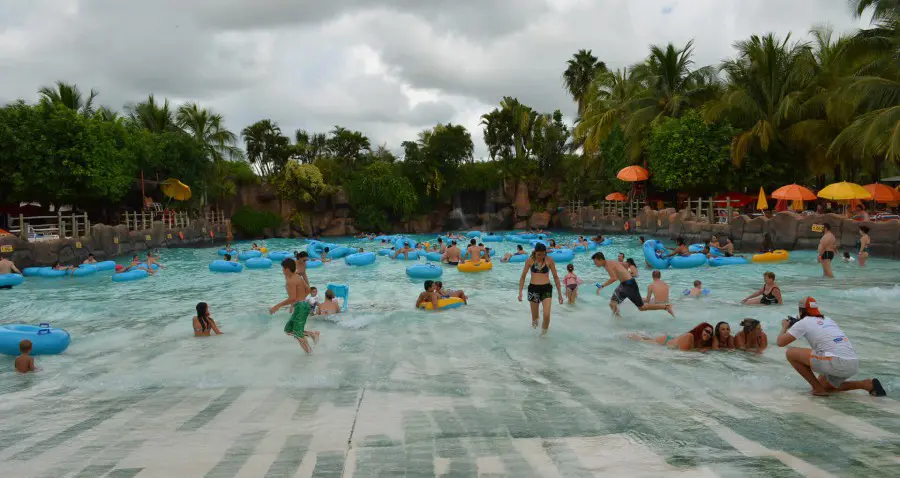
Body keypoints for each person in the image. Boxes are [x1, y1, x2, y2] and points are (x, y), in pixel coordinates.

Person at [777, 297, 886, 397]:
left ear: (800, 311)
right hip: (853, 363)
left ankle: (817, 390)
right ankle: (865, 384)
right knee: (826, 386)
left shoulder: (803, 323)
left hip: (835, 362)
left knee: (790, 353)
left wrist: (784, 327)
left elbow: (780, 342)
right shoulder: (828, 319)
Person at [594, 252, 674, 317]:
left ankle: (666, 307)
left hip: (629, 285)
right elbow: (625, 265)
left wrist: (602, 286)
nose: (595, 264)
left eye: (596, 262)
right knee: (612, 304)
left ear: (601, 259)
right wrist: (624, 273)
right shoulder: (611, 262)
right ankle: (619, 320)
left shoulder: (608, 265)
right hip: (623, 285)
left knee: (642, 308)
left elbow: (613, 278)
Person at [270, 258, 319, 353]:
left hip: (301, 307)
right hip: (302, 305)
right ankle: (312, 334)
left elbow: (292, 298)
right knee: (288, 330)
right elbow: (308, 289)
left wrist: (277, 306)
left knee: (298, 334)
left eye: (283, 269)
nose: (282, 271)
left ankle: (310, 354)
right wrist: (300, 300)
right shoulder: (296, 277)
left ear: (287, 269)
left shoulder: (291, 280)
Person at [518, 243, 564, 336]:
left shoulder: (549, 260)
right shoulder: (529, 261)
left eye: (543, 254)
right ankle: (534, 337)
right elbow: (523, 276)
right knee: (535, 318)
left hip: (546, 288)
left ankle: (543, 336)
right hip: (533, 289)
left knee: (546, 315)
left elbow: (555, 277)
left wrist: (560, 294)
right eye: (539, 254)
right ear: (535, 252)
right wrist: (520, 292)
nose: (541, 257)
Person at [629, 322, 714, 351]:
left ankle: (644, 336)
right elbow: (684, 353)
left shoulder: (699, 342)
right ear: (700, 329)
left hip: (669, 340)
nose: (708, 334)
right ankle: (626, 334)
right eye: (706, 331)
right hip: (665, 342)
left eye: (710, 334)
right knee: (639, 339)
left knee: (647, 339)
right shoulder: (689, 336)